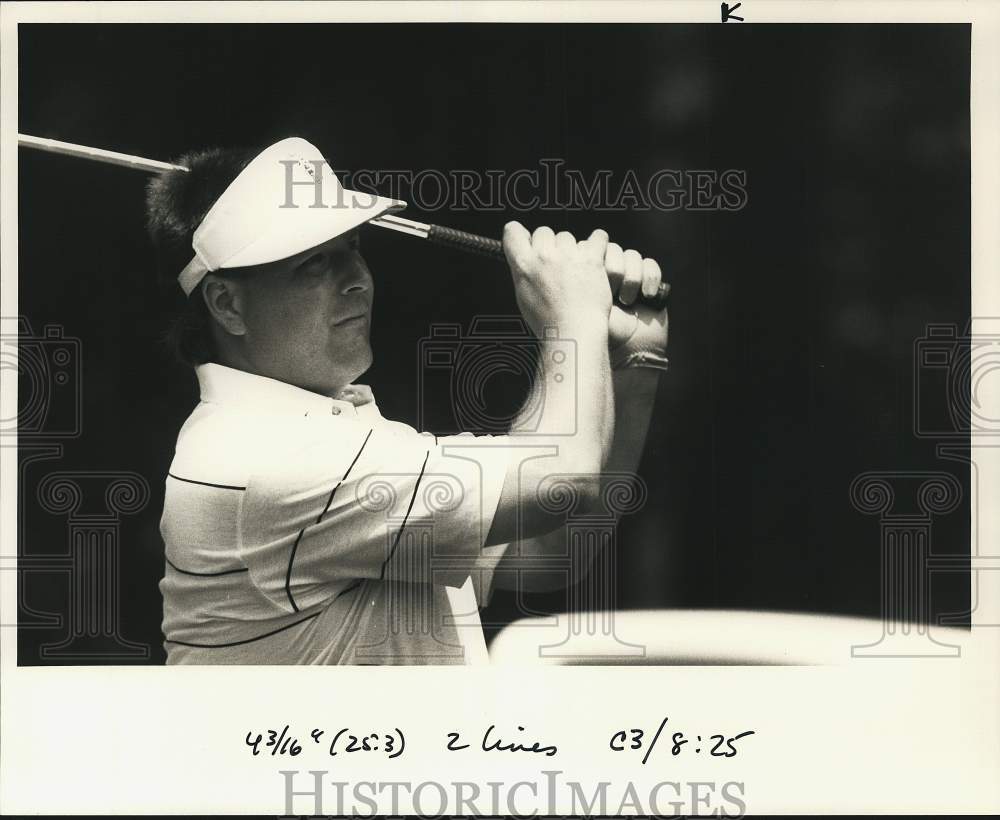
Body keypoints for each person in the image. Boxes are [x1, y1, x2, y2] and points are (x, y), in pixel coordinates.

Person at [146, 137, 668, 664]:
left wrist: (630, 360)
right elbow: (561, 482)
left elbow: (542, 551)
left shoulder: (324, 430)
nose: (357, 280)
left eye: (350, 249)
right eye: (314, 264)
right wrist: (573, 318)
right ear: (226, 304)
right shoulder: (263, 456)